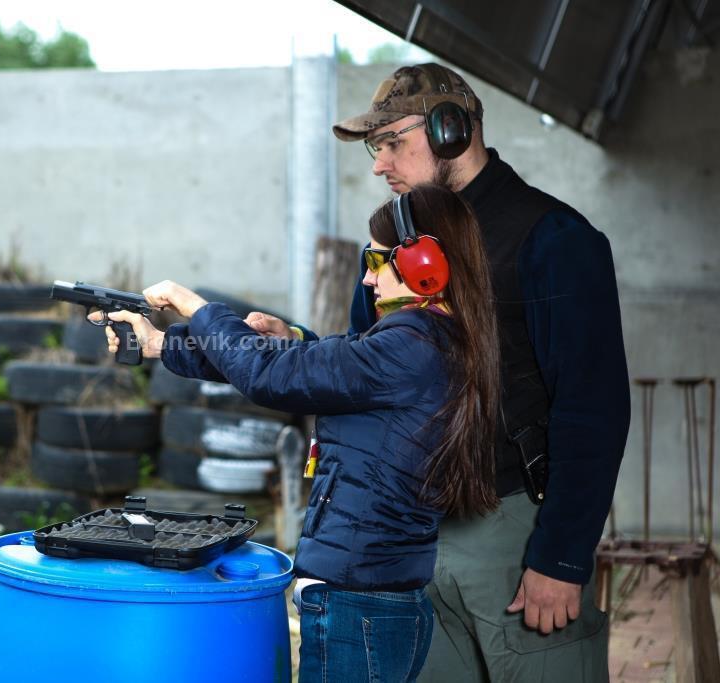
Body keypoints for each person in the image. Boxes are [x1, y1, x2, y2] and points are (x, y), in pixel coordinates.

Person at [246, 63, 630, 681]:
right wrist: (303, 346)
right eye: (375, 148)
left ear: (453, 130)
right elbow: (372, 371)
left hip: (511, 535)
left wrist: (561, 557)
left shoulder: (556, 240)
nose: (379, 164)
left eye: (393, 142)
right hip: (409, 542)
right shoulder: (394, 247)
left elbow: (594, 410)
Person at [94, 183, 501, 682]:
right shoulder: (435, 339)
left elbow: (272, 376)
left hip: (359, 601)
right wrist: (160, 343)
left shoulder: (410, 345)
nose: (368, 282)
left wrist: (191, 304)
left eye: (376, 264)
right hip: (374, 594)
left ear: (424, 263)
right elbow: (302, 364)